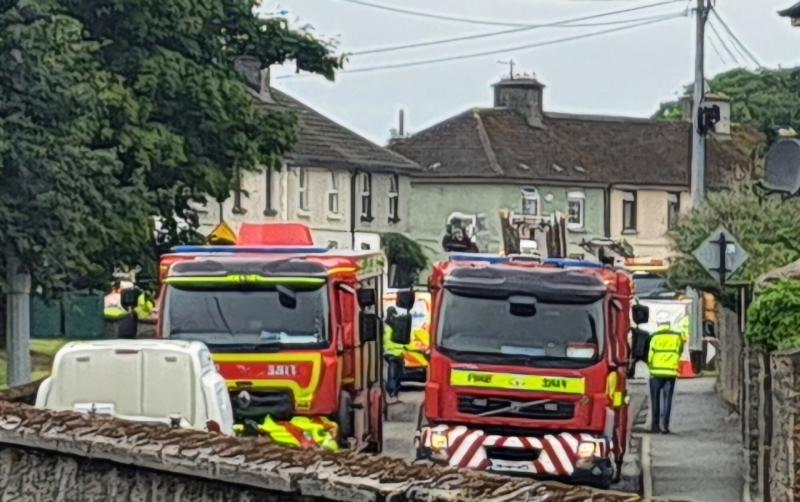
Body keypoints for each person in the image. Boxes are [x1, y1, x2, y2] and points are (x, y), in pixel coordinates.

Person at [647, 313, 685, 434]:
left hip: (656, 372)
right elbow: (679, 351)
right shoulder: (677, 336)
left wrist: (651, 366)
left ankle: (655, 426)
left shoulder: (654, 336)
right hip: (671, 372)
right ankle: (665, 426)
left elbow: (650, 356)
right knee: (667, 399)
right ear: (669, 323)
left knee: (655, 399)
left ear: (658, 324)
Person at [383, 307, 405, 403]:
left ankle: (392, 394)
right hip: (394, 354)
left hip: (390, 354)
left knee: (393, 376)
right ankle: (393, 395)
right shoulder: (397, 325)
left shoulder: (384, 325)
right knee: (394, 376)